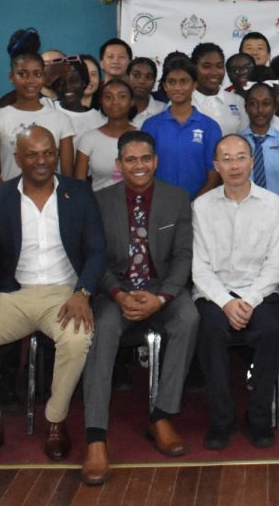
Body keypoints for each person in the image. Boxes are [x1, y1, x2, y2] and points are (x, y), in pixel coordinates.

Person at [0, 126, 104, 470]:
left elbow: (96, 251)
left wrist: (83, 292)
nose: (42, 161)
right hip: (14, 294)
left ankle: (56, 419)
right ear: (18, 157)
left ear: (56, 154)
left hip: (64, 294)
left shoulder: (79, 194)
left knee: (77, 337)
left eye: (48, 153)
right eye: (33, 154)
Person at [80, 131, 199, 484]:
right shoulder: (99, 201)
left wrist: (162, 298)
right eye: (130, 160)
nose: (139, 166)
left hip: (161, 291)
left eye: (145, 158)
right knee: (100, 330)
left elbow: (183, 256)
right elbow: (94, 258)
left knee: (190, 318)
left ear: (156, 161)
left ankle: (160, 415)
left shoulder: (177, 198)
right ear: (118, 165)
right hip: (115, 292)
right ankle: (96, 438)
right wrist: (118, 294)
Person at [192, 135, 279, 451]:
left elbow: (274, 267)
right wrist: (226, 302)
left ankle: (259, 418)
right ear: (216, 165)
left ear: (251, 162)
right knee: (209, 332)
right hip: (214, 292)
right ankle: (222, 419)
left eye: (241, 157)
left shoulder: (274, 205)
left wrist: (247, 301)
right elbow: (199, 267)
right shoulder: (201, 206)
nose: (234, 165)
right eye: (227, 159)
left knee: (272, 331)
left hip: (260, 291)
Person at [0, 52, 75, 184]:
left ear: (44, 77)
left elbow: (67, 175)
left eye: (37, 74)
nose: (30, 80)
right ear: (11, 77)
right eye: (22, 74)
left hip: (50, 199)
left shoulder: (61, 119)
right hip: (9, 198)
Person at [141, 56, 222, 200]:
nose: (178, 88)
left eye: (184, 81)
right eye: (172, 82)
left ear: (194, 85)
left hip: (199, 208)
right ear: (165, 86)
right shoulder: (150, 126)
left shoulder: (210, 127)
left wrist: (194, 205)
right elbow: (143, 170)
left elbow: (214, 175)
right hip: (159, 207)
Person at [239, 83, 279, 207]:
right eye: (253, 103)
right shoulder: (235, 144)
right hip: (242, 215)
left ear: (274, 107)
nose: (260, 110)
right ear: (246, 107)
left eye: (266, 103)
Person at [74, 79, 136, 191]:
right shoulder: (89, 139)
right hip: (99, 205)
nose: (115, 102)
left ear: (132, 101)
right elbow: (80, 185)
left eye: (122, 96)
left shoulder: (142, 136)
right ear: (101, 101)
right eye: (108, 97)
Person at [192, 43, 245, 137]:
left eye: (219, 66)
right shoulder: (184, 103)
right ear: (194, 68)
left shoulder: (237, 101)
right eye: (206, 66)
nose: (214, 72)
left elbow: (246, 137)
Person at [57, 57, 105, 137]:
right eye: (62, 81)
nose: (89, 79)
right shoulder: (50, 106)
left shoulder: (101, 117)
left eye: (93, 74)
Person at [127, 57, 166, 125]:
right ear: (127, 78)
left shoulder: (164, 110)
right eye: (136, 75)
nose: (142, 81)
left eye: (148, 77)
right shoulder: (115, 108)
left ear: (154, 82)